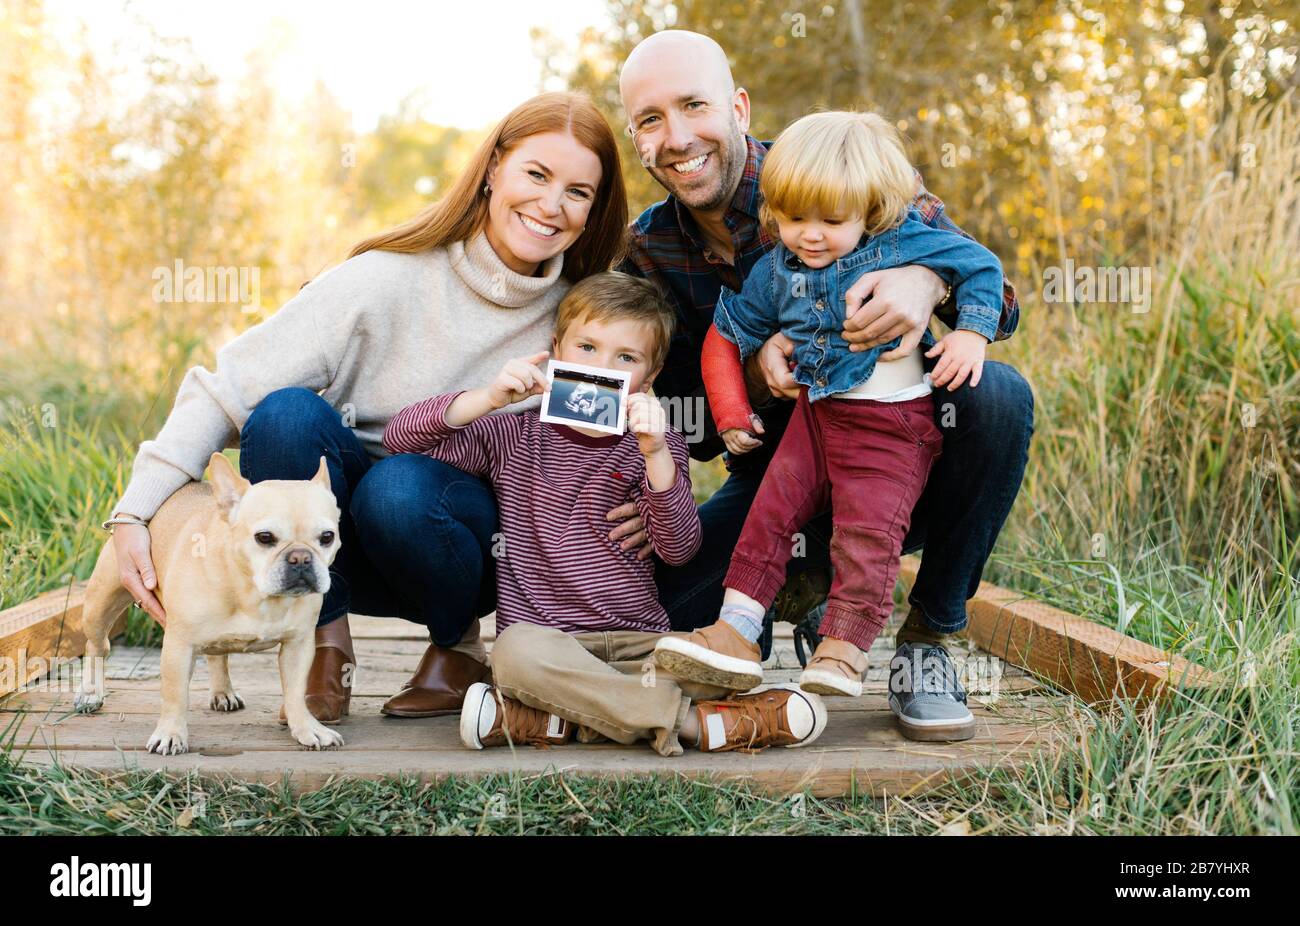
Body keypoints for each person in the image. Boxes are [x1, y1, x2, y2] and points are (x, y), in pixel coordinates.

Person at [102, 92, 631, 724]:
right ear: (492, 170)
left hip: (468, 548)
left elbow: (616, 432)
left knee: (401, 488)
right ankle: (323, 637)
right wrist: (135, 511)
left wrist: (645, 502)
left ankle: (456, 647)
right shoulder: (384, 279)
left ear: (594, 208)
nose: (551, 205)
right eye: (536, 175)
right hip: (334, 543)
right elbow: (225, 388)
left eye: (578, 191)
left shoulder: (582, 321)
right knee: (286, 416)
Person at [617, 31, 1035, 741]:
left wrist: (923, 279)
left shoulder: (839, 166)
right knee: (658, 602)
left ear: (739, 107)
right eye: (651, 119)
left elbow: (1003, 302)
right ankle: (799, 598)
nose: (678, 136)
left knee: (997, 397)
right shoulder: (649, 248)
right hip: (780, 473)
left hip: (898, 454)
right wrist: (747, 379)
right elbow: (691, 422)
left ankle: (927, 642)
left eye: (694, 105)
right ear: (635, 136)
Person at [383, 272, 826, 755]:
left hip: (640, 643)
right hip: (548, 646)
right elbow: (401, 439)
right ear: (556, 351)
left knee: (701, 661)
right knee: (512, 655)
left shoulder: (656, 445)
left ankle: (558, 719)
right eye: (587, 348)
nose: (601, 367)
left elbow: (679, 550)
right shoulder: (514, 435)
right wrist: (487, 399)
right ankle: (697, 726)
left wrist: (657, 455)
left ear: (649, 378)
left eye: (626, 358)